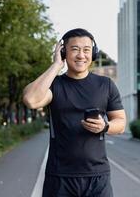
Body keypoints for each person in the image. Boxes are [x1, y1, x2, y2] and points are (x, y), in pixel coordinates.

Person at [22, 28, 126, 197]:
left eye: (86, 50)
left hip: (97, 178)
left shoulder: (106, 85)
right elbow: (31, 100)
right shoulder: (54, 85)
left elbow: (120, 123)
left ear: (93, 53)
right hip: (59, 177)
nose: (81, 55)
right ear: (63, 52)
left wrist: (105, 126)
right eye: (75, 49)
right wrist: (56, 65)